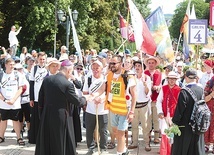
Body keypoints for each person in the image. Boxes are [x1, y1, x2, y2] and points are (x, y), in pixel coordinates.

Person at [35, 60, 85, 155]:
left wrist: (42, 114)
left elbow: (40, 99)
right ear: (69, 71)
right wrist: (85, 99)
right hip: (62, 116)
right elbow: (77, 101)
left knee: (48, 140)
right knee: (60, 140)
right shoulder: (67, 84)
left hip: (47, 114)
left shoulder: (47, 79)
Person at [106, 55, 137, 155]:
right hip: (113, 109)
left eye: (114, 63)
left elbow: (134, 95)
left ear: (120, 64)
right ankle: (124, 150)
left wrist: (131, 112)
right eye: (110, 63)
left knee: (120, 134)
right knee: (116, 133)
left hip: (124, 111)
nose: (111, 65)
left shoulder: (128, 76)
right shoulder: (109, 75)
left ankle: (119, 153)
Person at [172, 68, 205, 155]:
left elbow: (180, 109)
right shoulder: (201, 90)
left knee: (184, 148)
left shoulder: (184, 91)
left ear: (186, 78)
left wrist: (174, 122)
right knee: (196, 148)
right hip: (198, 123)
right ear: (196, 78)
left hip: (185, 125)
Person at [83, 60, 108, 154]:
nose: (95, 70)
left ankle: (103, 148)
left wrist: (102, 99)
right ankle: (91, 148)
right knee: (89, 130)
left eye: (97, 68)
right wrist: (90, 98)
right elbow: (85, 92)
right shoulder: (88, 79)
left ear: (101, 69)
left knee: (103, 130)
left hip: (103, 110)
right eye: (93, 68)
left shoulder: (105, 79)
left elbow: (109, 94)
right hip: (90, 109)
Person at [128, 60, 152, 151]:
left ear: (143, 68)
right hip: (134, 105)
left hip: (144, 105)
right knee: (134, 125)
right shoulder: (132, 78)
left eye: (139, 66)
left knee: (146, 125)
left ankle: (147, 143)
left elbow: (148, 92)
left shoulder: (147, 78)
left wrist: (145, 85)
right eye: (136, 66)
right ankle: (134, 142)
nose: (137, 67)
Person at [0, 58, 25, 145]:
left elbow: (21, 88)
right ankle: (1, 136)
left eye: (13, 64)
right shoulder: (1, 75)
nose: (12, 66)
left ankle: (19, 137)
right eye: (10, 64)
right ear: (6, 65)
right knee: (3, 119)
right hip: (3, 103)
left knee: (16, 120)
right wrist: (5, 100)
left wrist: (13, 99)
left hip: (15, 103)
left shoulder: (18, 75)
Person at [156, 71, 181, 155]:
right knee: (164, 133)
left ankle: (173, 152)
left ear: (176, 80)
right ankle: (164, 152)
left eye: (174, 79)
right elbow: (159, 101)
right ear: (168, 79)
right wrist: (160, 112)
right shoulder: (164, 88)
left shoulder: (179, 90)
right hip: (165, 115)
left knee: (173, 134)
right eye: (170, 79)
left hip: (175, 116)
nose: (172, 81)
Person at [29, 52, 47, 144]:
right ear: (38, 59)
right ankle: (35, 138)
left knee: (45, 119)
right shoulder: (34, 68)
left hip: (46, 98)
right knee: (35, 119)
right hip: (36, 98)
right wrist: (31, 98)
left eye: (43, 59)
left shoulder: (48, 69)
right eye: (40, 59)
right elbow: (31, 84)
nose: (42, 61)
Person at [144, 56, 162, 144]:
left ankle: (156, 136)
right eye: (149, 63)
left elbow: (159, 85)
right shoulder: (145, 73)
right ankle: (147, 136)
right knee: (147, 119)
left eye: (152, 63)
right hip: (146, 100)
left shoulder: (158, 73)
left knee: (156, 119)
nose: (151, 64)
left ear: (155, 64)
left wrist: (157, 87)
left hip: (155, 99)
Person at [204, 75, 214, 153]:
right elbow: (204, 98)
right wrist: (212, 94)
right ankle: (207, 145)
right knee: (208, 125)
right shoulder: (210, 82)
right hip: (210, 108)